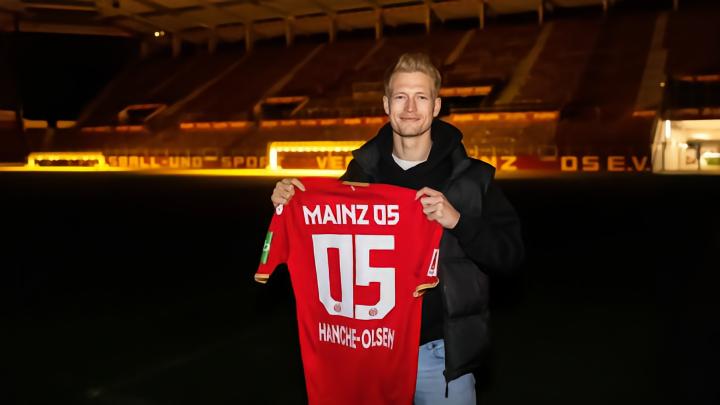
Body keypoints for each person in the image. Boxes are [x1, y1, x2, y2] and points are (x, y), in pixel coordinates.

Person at [271, 53, 524, 404]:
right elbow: (322, 246)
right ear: (386, 104)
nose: (410, 108)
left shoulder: (471, 180)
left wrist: (458, 222)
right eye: (401, 96)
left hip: (439, 356)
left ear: (436, 106)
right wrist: (290, 203)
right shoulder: (360, 176)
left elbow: (510, 258)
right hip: (370, 352)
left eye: (421, 97)